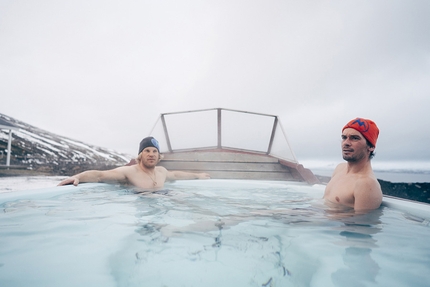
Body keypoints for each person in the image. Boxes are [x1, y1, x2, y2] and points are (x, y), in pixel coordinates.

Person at [58, 137, 210, 189]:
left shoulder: (161, 172)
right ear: (140, 155)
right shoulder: (130, 172)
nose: (151, 154)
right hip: (141, 211)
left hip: (162, 204)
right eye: (147, 151)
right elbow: (99, 175)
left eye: (154, 151)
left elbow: (176, 175)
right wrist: (77, 177)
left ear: (159, 156)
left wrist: (198, 175)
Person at [323, 118, 383, 211]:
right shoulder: (340, 169)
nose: (346, 143)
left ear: (371, 146)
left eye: (354, 138)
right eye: (344, 138)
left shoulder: (366, 184)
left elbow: (359, 223)